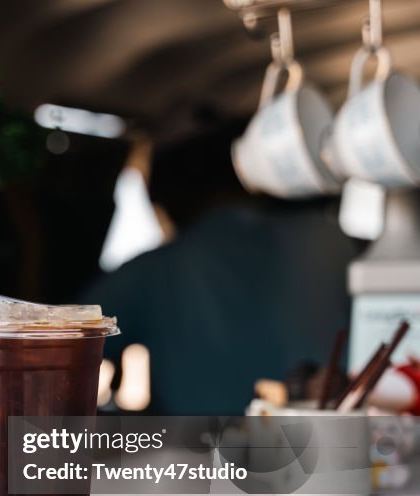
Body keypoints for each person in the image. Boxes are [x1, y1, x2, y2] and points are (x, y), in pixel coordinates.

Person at [80, 116, 364, 415]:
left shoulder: (156, 270)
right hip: (325, 446)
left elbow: (57, 339)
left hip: (199, 455)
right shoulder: (330, 242)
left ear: (169, 196)